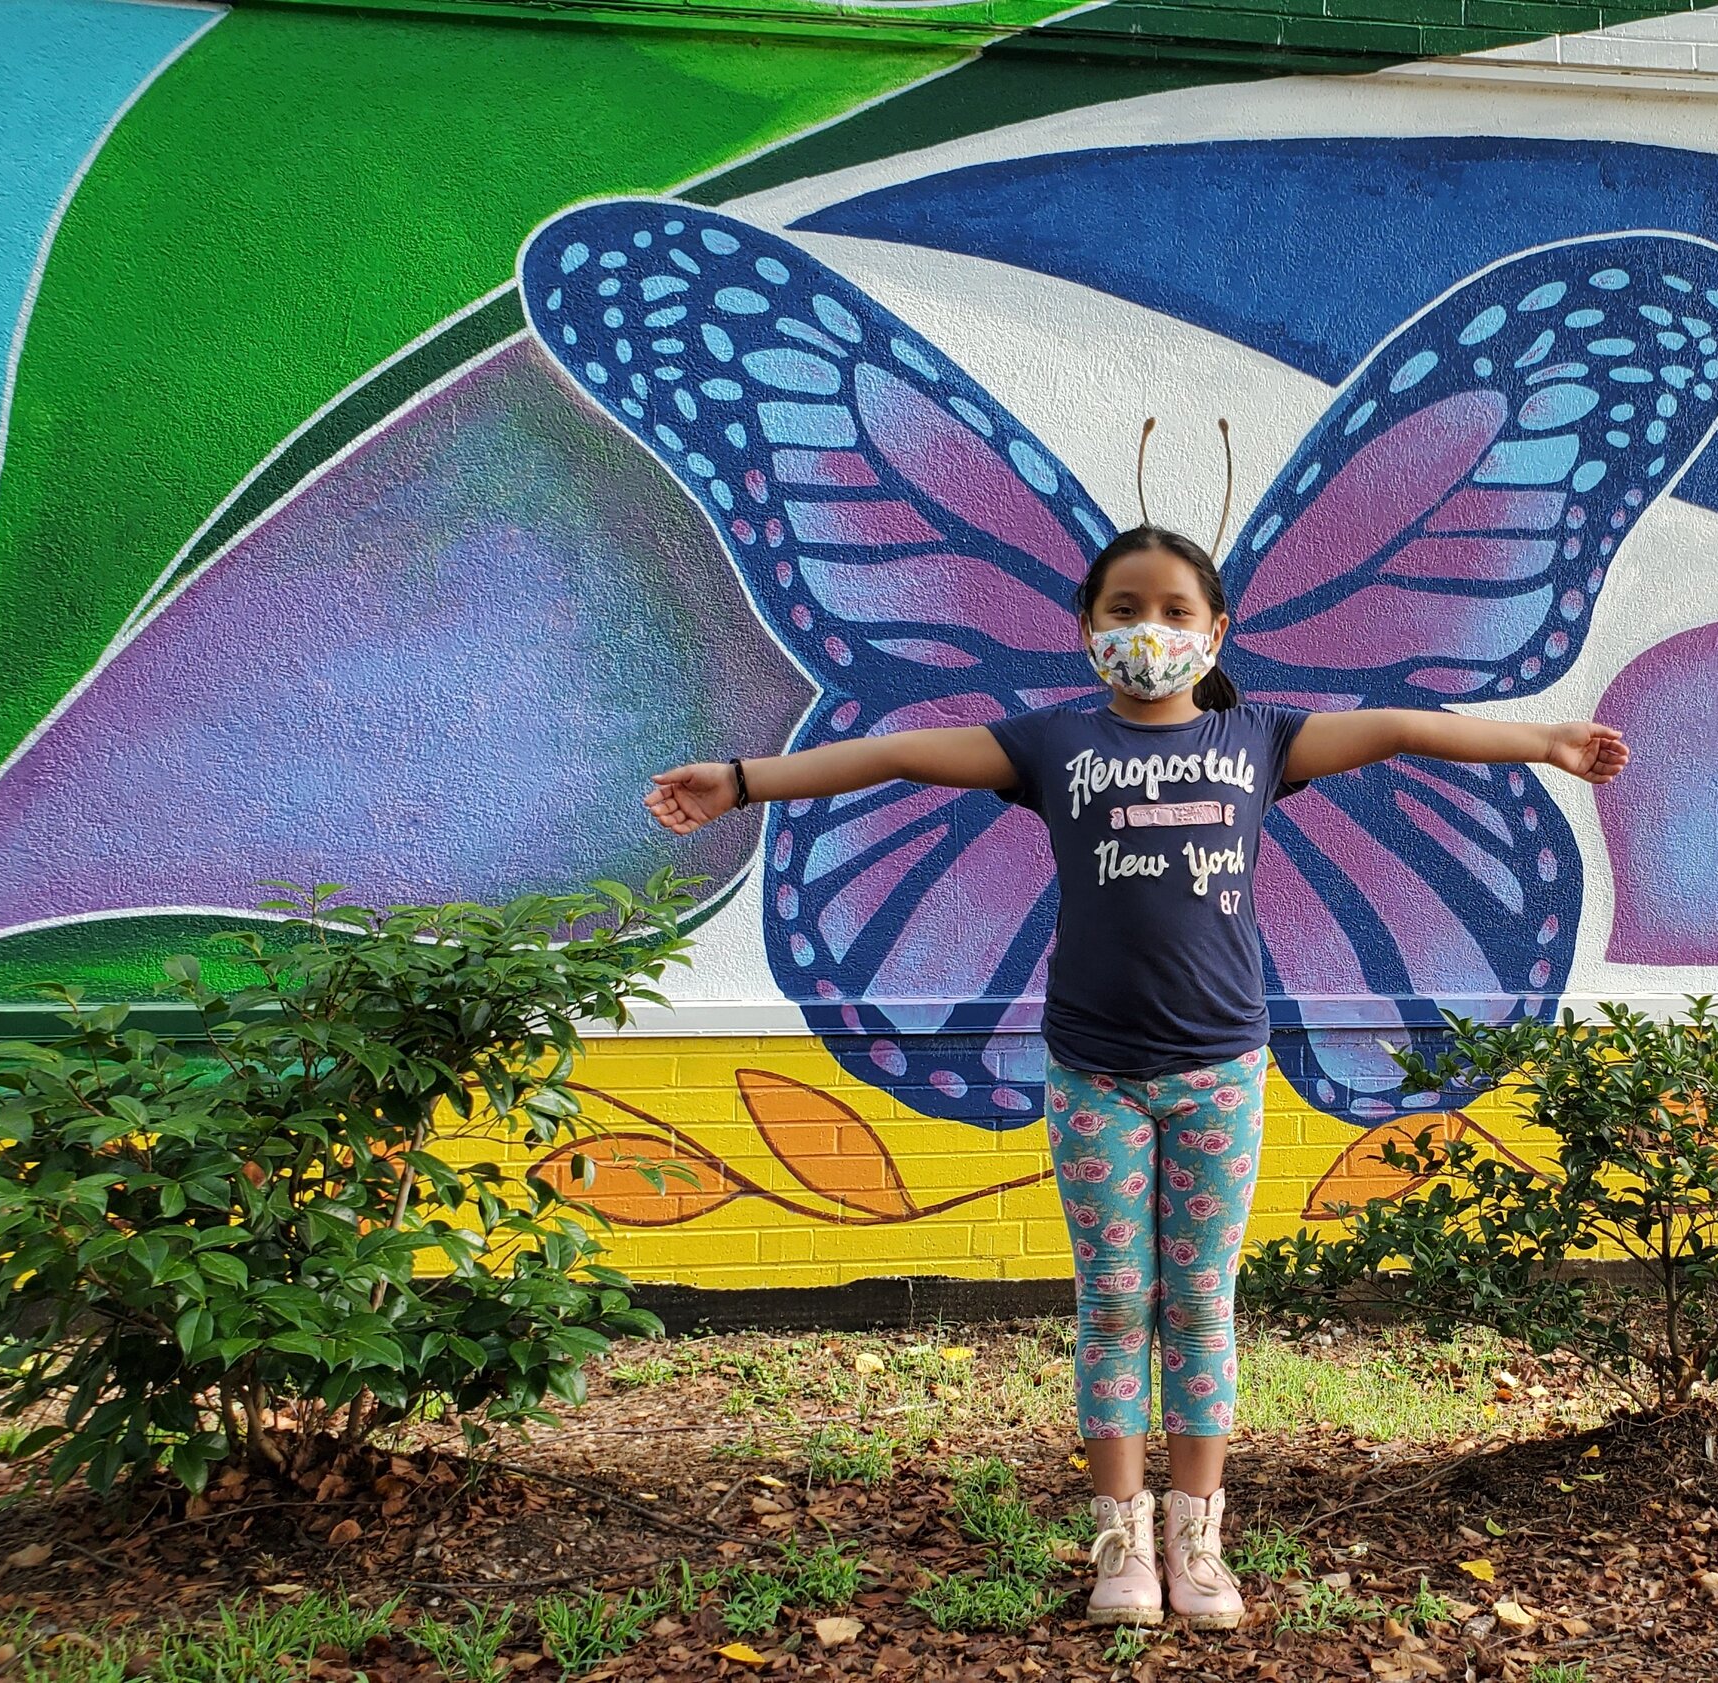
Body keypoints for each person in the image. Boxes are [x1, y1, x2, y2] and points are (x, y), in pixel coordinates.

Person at [644, 524, 1629, 1630]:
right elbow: (896, 753)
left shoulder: (1261, 739)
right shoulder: (1053, 746)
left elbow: (1401, 726)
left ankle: (1197, 1543)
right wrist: (739, 780)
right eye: (1122, 610)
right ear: (1085, 628)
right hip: (1093, 1075)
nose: (1146, 631)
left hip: (1217, 1073)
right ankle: (1119, 1541)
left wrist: (1545, 740)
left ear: (1215, 633)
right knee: (1116, 1306)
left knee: (1202, 1304)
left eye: (1171, 611)